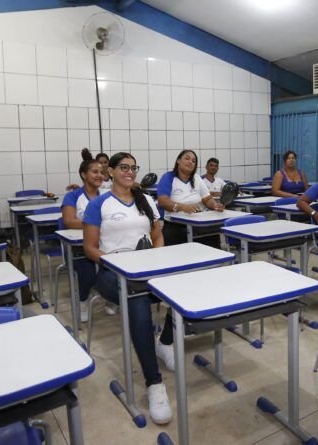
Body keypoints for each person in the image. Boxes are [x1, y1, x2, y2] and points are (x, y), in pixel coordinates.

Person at [82, 151, 174, 425]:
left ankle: (165, 341)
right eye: (123, 167)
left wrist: (156, 257)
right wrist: (119, 262)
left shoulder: (146, 200)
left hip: (146, 266)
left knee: (183, 284)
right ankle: (154, 383)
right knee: (137, 297)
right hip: (112, 271)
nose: (130, 171)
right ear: (109, 171)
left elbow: (157, 235)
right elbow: (89, 249)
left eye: (133, 168)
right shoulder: (99, 204)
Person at [61, 148, 112, 321]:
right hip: (79, 248)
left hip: (105, 243)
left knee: (116, 267)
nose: (99, 175)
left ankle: (111, 298)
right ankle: (82, 300)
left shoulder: (106, 195)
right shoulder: (73, 196)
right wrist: (95, 224)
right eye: (94, 172)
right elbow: (69, 221)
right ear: (83, 175)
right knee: (87, 272)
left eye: (101, 172)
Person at [156, 149, 224, 246]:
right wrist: (182, 207)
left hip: (198, 222)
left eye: (193, 161)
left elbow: (207, 199)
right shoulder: (168, 177)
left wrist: (215, 205)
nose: (190, 162)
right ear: (178, 161)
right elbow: (163, 201)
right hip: (175, 225)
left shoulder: (197, 178)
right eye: (187, 158)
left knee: (213, 241)